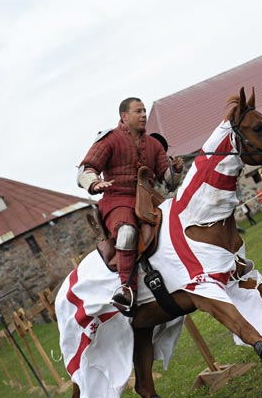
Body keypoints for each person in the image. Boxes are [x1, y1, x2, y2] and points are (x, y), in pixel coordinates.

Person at [77, 97, 184, 292]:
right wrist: (95, 182)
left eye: (144, 111)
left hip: (150, 200)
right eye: (138, 111)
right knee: (127, 233)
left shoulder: (154, 144)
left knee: (177, 220)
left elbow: (167, 182)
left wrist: (175, 171)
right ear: (124, 116)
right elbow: (86, 168)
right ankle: (127, 289)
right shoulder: (110, 138)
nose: (143, 115)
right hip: (118, 201)